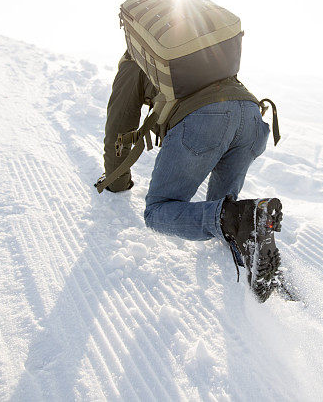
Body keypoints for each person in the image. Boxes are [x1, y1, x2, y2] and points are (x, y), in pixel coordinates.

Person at [100, 51, 283, 301]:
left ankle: (244, 220)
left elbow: (119, 124)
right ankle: (260, 263)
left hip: (205, 119)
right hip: (251, 117)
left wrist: (116, 182)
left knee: (158, 210)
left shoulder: (137, 56)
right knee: (224, 210)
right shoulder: (199, 45)